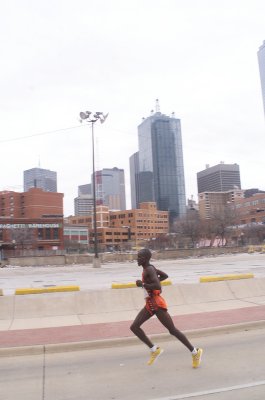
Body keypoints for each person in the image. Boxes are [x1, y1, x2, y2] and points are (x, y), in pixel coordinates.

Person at [130, 248, 203, 367]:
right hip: (150, 304)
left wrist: (143, 284)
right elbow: (165, 276)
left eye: (139, 257)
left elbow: (157, 285)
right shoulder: (150, 268)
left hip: (157, 304)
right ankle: (154, 349)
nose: (137, 259)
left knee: (172, 330)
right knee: (134, 327)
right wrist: (150, 282)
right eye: (137, 256)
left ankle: (195, 352)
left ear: (146, 258)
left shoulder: (149, 269)